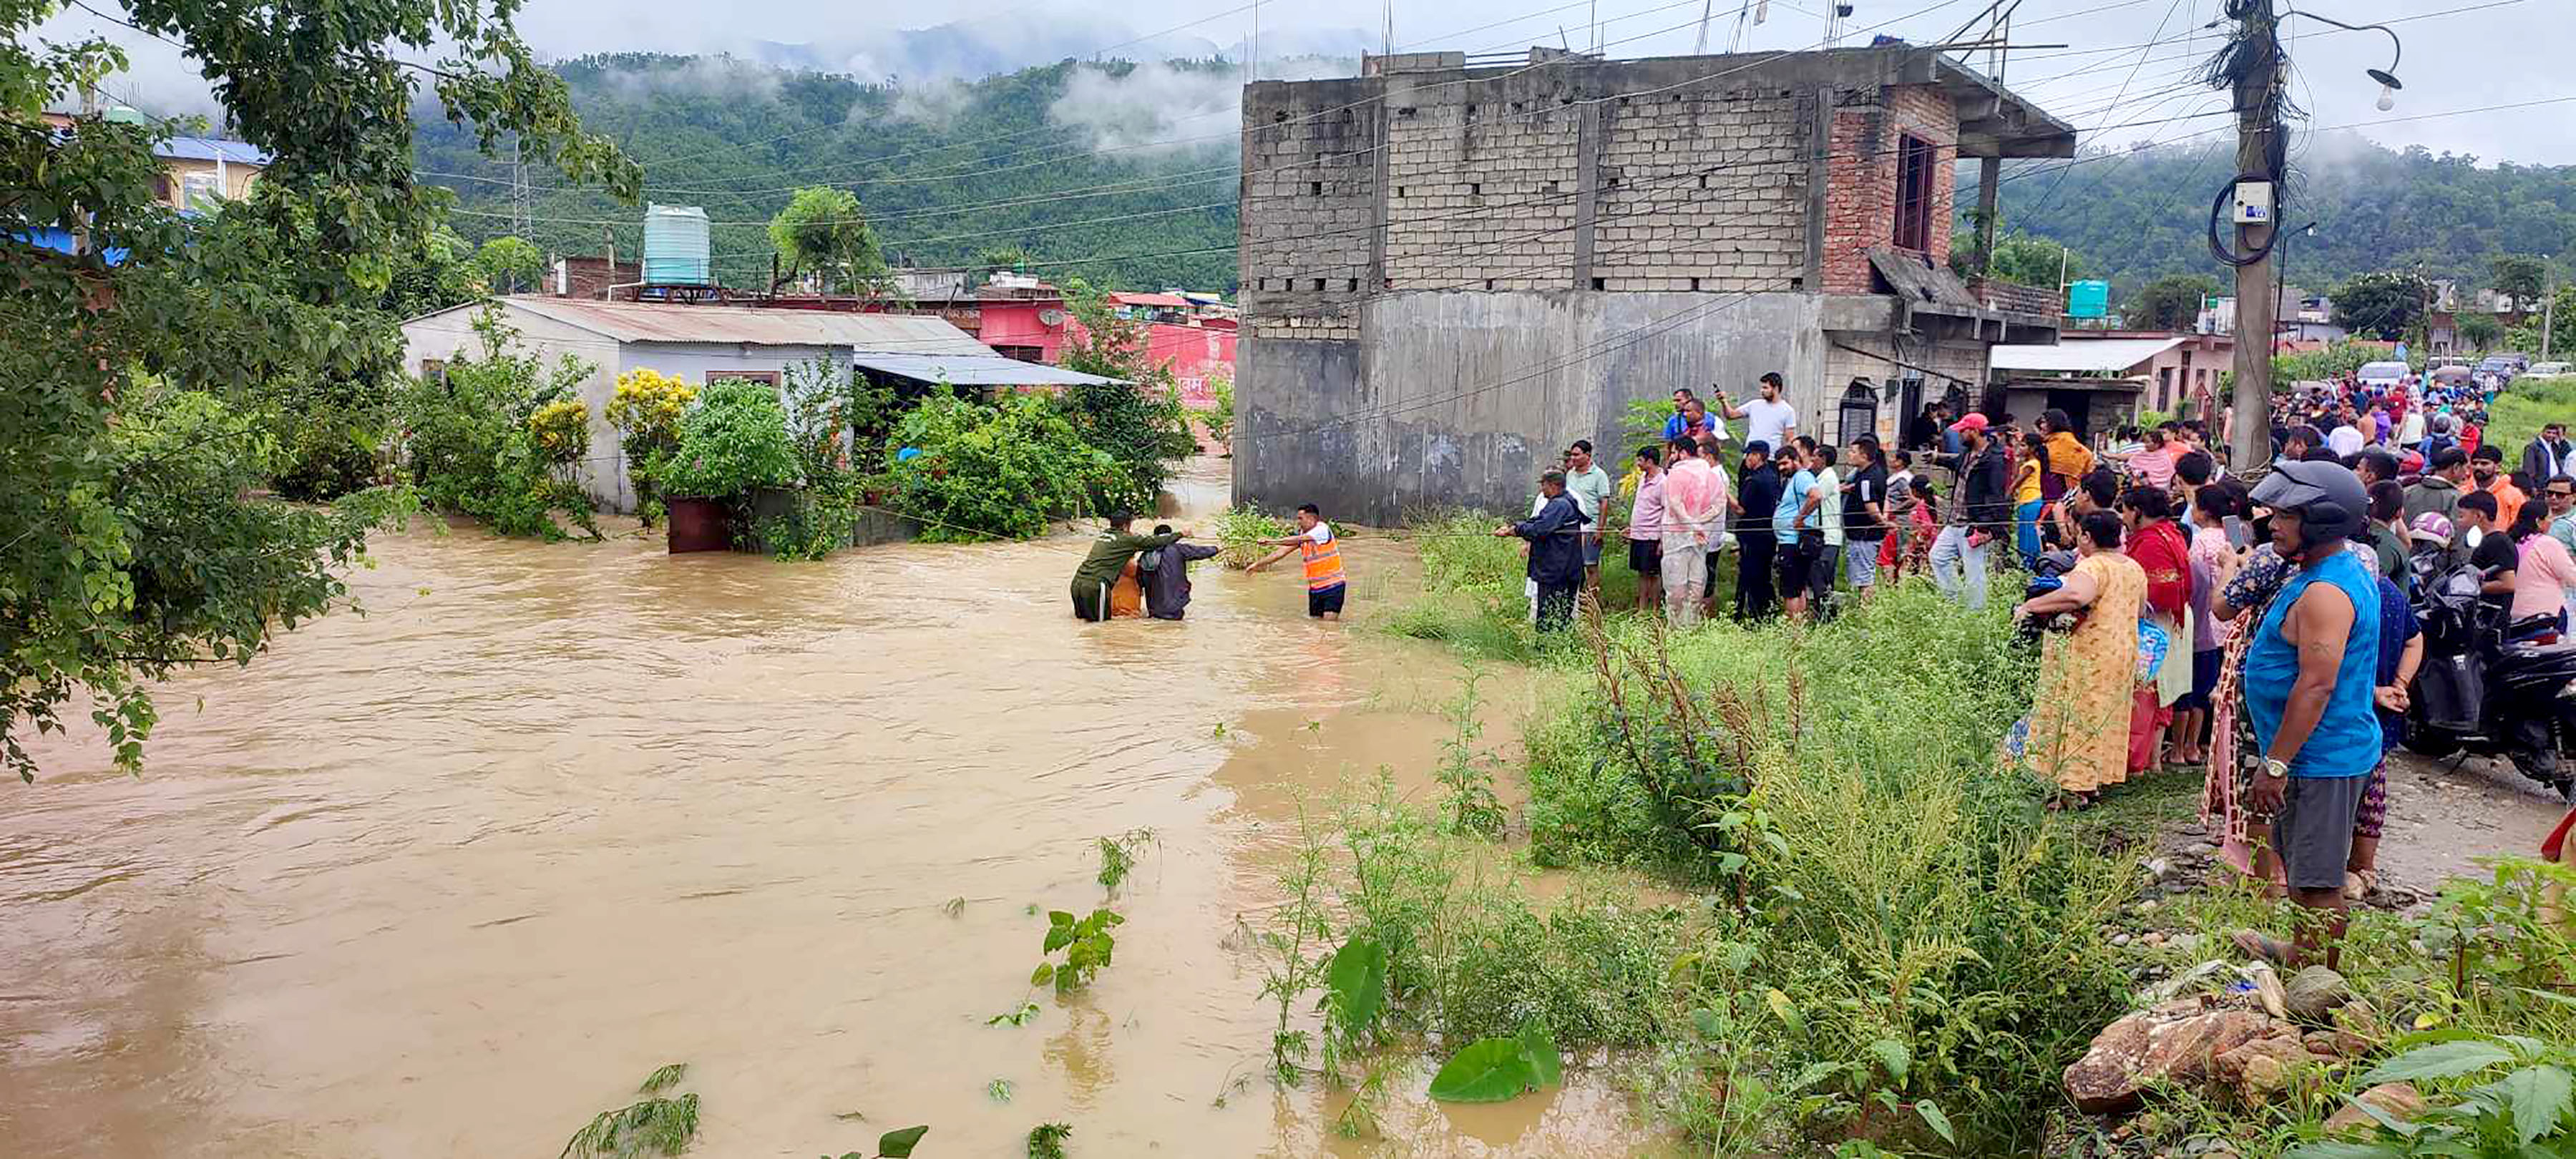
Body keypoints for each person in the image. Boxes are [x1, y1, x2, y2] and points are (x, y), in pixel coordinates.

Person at [2233, 459, 2381, 972]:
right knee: (2302, 868)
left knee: (2317, 880)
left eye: (2285, 516)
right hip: (2314, 752)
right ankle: (2303, 953)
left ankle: (2315, 988)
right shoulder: (2322, 574)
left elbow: (2317, 684)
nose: (2272, 524)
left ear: (2319, 521)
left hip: (2320, 756)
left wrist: (2275, 763)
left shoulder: (2326, 592)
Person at [2013, 509, 2147, 808]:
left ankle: (2074, 790)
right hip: (2121, 651)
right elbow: (2139, 611)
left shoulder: (2092, 566)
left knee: (2078, 716)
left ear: (2086, 537)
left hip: (2089, 654)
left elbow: (2077, 597)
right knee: (2104, 717)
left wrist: (2032, 605)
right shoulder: (2133, 567)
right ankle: (2093, 782)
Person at [2122, 486, 2194, 774]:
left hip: (2158, 621)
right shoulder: (2170, 532)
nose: (2123, 516)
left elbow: (2157, 591)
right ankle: (2151, 761)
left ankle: (2141, 762)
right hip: (2175, 619)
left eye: (2126, 509)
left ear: (2138, 511)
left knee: (2147, 689)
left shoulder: (2151, 542)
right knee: (2160, 689)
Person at [2175, 480, 2243, 772]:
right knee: (2217, 684)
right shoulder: (2238, 533)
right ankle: (2207, 742)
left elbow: (2194, 580)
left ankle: (2188, 743)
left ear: (2202, 511)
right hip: (2231, 620)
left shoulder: (2201, 541)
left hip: (2205, 619)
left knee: (2197, 685)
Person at [1493, 470, 1589, 632]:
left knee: (1550, 613)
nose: (1542, 489)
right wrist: (1514, 527)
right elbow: (1538, 521)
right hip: (1565, 568)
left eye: (1543, 485)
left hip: (1558, 570)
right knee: (1561, 612)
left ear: (1553, 486)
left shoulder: (1560, 505)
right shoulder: (1564, 501)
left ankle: (1547, 647)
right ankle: (1558, 644)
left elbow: (1539, 529)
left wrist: (1514, 531)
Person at [1931, 412, 2008, 609]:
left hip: (1973, 524)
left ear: (1974, 431)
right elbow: (1956, 463)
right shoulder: (1968, 453)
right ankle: (1955, 600)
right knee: (1938, 557)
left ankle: (1975, 613)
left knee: (1974, 572)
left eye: (1963, 431)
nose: (1959, 435)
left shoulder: (1994, 460)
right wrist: (1937, 458)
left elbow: (1996, 495)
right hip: (1955, 519)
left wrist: (1984, 526)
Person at [1660, 436, 1726, 626]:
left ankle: (1677, 627)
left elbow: (1675, 503)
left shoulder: (1677, 474)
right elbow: (1720, 503)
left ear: (1682, 452)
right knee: (1696, 584)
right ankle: (1690, 626)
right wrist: (1699, 523)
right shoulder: (1711, 474)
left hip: (1678, 537)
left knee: (1677, 587)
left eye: (1673, 452)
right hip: (1699, 537)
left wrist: (1692, 524)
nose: (1672, 457)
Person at [1071, 512, 1186, 622]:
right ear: (1127, 525)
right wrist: (1181, 534)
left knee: (1084, 625)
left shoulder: (1104, 535)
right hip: (1096, 586)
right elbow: (1154, 542)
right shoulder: (1127, 540)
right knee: (1102, 627)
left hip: (1077, 583)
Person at [1246, 503, 1347, 620]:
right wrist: (1257, 565)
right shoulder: (1303, 535)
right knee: (1316, 625)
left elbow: (1297, 539)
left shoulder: (1322, 530)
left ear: (1311, 518)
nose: (1298, 522)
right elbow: (1280, 553)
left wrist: (1270, 541)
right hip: (1315, 589)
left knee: (1329, 626)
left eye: (1300, 518)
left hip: (1334, 586)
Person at [2509, 502, 2576, 642]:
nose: (2551, 522)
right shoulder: (2548, 543)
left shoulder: (2510, 542)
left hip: (2514, 614)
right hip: (2546, 615)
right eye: (2549, 518)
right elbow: (2572, 576)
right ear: (2539, 521)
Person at [1732, 440, 1783, 621]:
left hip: (1753, 535)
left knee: (1752, 577)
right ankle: (1768, 612)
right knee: (1763, 576)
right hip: (1768, 534)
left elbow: (1741, 509)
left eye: (1750, 455)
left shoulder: (1754, 480)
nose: (1746, 459)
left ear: (1758, 456)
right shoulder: (1772, 476)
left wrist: (1725, 495)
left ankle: (1757, 616)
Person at [1797, 441, 1845, 615]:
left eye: (1815, 456)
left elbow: (1813, 498)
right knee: (1817, 578)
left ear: (1823, 459)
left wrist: (1799, 518)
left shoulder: (1828, 478)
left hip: (1828, 537)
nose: (1812, 459)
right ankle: (1821, 615)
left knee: (1821, 580)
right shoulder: (1822, 477)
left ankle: (1827, 617)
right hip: (1820, 536)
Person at [1773, 443, 1820, 620]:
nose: (1781, 468)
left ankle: (1793, 634)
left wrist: (1800, 517)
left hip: (1792, 542)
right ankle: (1798, 633)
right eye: (1779, 465)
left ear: (1796, 460)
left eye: (1785, 463)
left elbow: (1816, 496)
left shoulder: (1802, 477)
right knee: (1798, 588)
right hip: (1792, 541)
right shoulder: (1795, 479)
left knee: (1790, 591)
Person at [2457, 491, 2519, 620]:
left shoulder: (2498, 542)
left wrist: (2469, 588)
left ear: (2479, 516)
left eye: (2462, 516)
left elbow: (2508, 584)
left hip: (2490, 622)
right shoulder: (2482, 541)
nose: (2458, 521)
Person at [1141, 524, 1224, 620]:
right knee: (1175, 627)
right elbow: (1199, 551)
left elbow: (1140, 580)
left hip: (1154, 607)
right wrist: (1216, 549)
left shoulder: (1145, 555)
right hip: (1175, 604)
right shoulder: (1179, 549)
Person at [1842, 437, 1890, 602]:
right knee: (1864, 575)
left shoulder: (1867, 479)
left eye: (1853, 452)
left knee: (1864, 578)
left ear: (1863, 456)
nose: (1850, 455)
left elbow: (1872, 509)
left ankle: (1866, 611)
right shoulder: (1875, 472)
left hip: (1864, 536)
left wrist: (1884, 523)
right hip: (1864, 534)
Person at [1563, 440, 1614, 593]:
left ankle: (1593, 604)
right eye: (1572, 455)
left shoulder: (1599, 475)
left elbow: (1604, 503)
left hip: (1590, 527)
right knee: (1572, 565)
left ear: (1588, 455)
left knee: (1591, 565)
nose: (1574, 458)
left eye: (1577, 455)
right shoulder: (1570, 475)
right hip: (1572, 529)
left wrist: (1600, 530)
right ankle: (1576, 600)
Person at [1626, 444, 1667, 612]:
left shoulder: (1663, 482)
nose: (1638, 463)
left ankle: (1656, 610)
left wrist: (1662, 540)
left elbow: (1666, 511)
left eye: (1641, 460)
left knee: (1654, 573)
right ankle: (1642, 609)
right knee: (1642, 573)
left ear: (1650, 462)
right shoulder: (1643, 478)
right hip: (1639, 534)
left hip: (1652, 536)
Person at [1715, 371, 1797, 452]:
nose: (1762, 391)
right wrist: (1723, 401)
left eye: (1765, 388)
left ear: (1776, 388)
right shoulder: (1754, 405)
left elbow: (1789, 439)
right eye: (1762, 388)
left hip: (1770, 458)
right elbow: (1731, 415)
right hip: (1749, 455)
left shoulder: (1788, 411)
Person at [2404, 447, 2469, 534]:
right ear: (2456, 467)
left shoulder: (2407, 492)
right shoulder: (2457, 499)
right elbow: (2458, 538)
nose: (2467, 473)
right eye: (2467, 467)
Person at [2037, 409, 2095, 503]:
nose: (2041, 426)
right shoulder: (2050, 441)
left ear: (2054, 423)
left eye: (2044, 422)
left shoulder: (2065, 441)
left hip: (2059, 486)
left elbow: (2086, 455)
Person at [2469, 444, 2527, 533]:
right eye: (2475, 463)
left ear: (2498, 467)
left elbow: (2518, 527)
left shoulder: (2514, 496)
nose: (2478, 467)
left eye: (2484, 463)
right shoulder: (2462, 491)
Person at [2013, 430, 2048, 568]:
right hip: (2028, 501)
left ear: (2032, 448)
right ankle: (2028, 565)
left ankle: (2029, 566)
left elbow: (2016, 483)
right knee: (2026, 534)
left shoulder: (2032, 464)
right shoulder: (2031, 463)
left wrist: (2007, 496)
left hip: (2030, 501)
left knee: (2028, 537)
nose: (2019, 449)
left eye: (2023, 446)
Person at [2521, 422, 2573, 487]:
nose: (2551, 435)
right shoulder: (2533, 447)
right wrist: (2532, 486)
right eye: (2548, 432)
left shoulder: (2554, 447)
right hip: (2540, 485)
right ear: (2543, 432)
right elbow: (2529, 469)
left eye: (2554, 433)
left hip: (2554, 485)